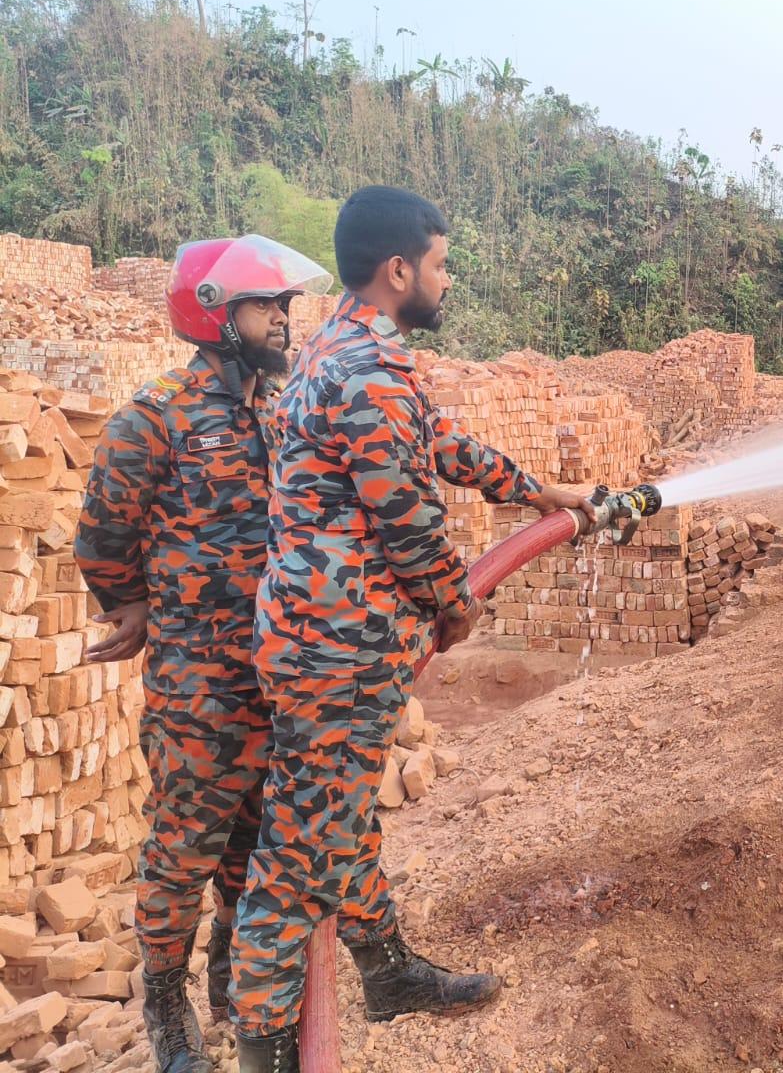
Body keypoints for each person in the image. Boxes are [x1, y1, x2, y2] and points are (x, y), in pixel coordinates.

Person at [228, 187, 597, 1070]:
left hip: (321, 640)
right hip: (335, 653)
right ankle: (270, 1055)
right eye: (439, 263)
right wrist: (452, 602)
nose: (447, 277)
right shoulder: (370, 371)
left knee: (338, 824)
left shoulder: (339, 349)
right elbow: (405, 515)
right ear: (400, 269)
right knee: (289, 870)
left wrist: (544, 494)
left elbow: (442, 445)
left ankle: (388, 974)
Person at [76, 237, 331, 1073]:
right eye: (269, 306)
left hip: (274, 676)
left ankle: (232, 976)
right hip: (198, 688)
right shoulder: (155, 419)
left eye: (287, 306)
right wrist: (143, 606)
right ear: (217, 313)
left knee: (255, 844)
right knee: (183, 848)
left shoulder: (276, 408)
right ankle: (164, 1006)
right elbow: (101, 540)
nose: (285, 320)